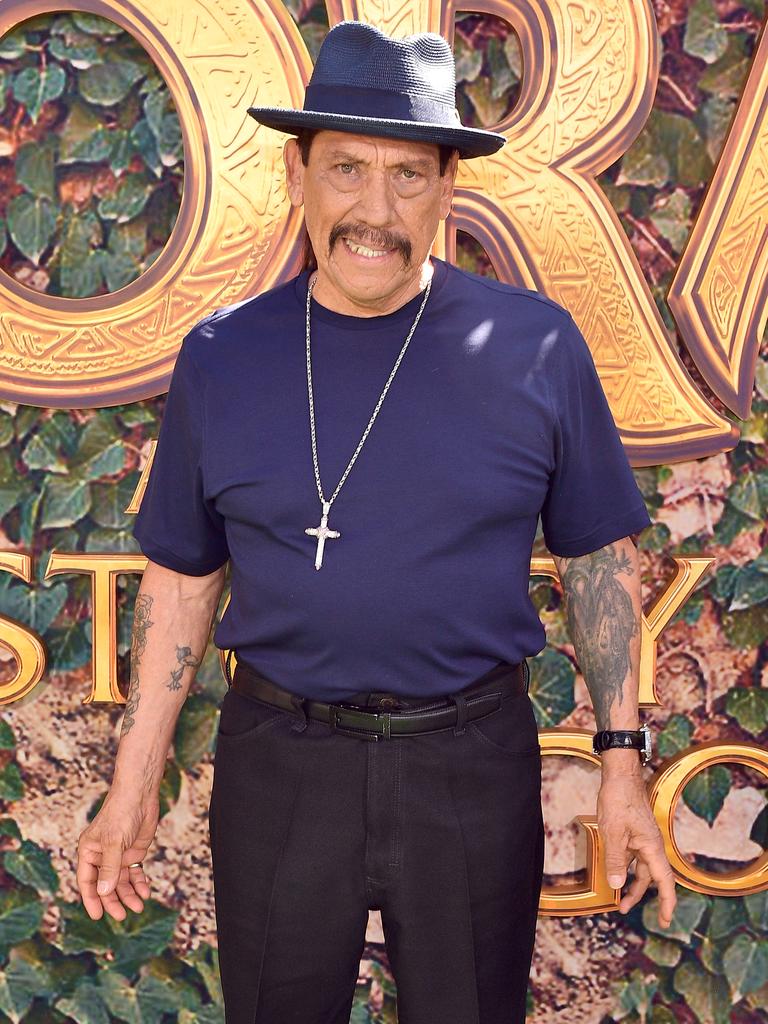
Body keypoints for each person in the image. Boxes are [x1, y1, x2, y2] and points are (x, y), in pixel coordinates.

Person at [76, 19, 677, 1024]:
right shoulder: (222, 356)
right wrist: (134, 782)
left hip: (469, 765)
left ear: (448, 189)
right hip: (283, 763)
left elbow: (596, 560)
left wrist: (621, 763)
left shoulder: (535, 346)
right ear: (298, 174)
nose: (375, 209)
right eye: (347, 169)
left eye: (409, 176)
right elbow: (183, 580)